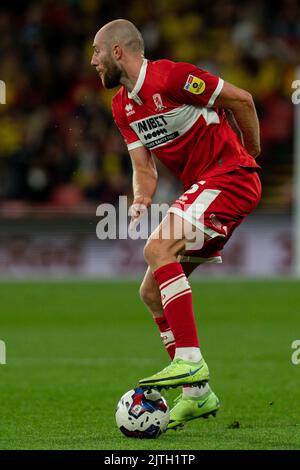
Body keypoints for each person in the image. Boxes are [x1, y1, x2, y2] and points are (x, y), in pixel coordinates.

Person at [91, 19, 262, 430]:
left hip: (231, 177)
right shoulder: (122, 106)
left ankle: (188, 360)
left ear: (118, 51)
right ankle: (198, 395)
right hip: (209, 188)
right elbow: (143, 169)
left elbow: (242, 99)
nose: (93, 62)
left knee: (157, 249)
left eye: (96, 52)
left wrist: (252, 156)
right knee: (150, 291)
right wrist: (142, 198)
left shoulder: (173, 77)